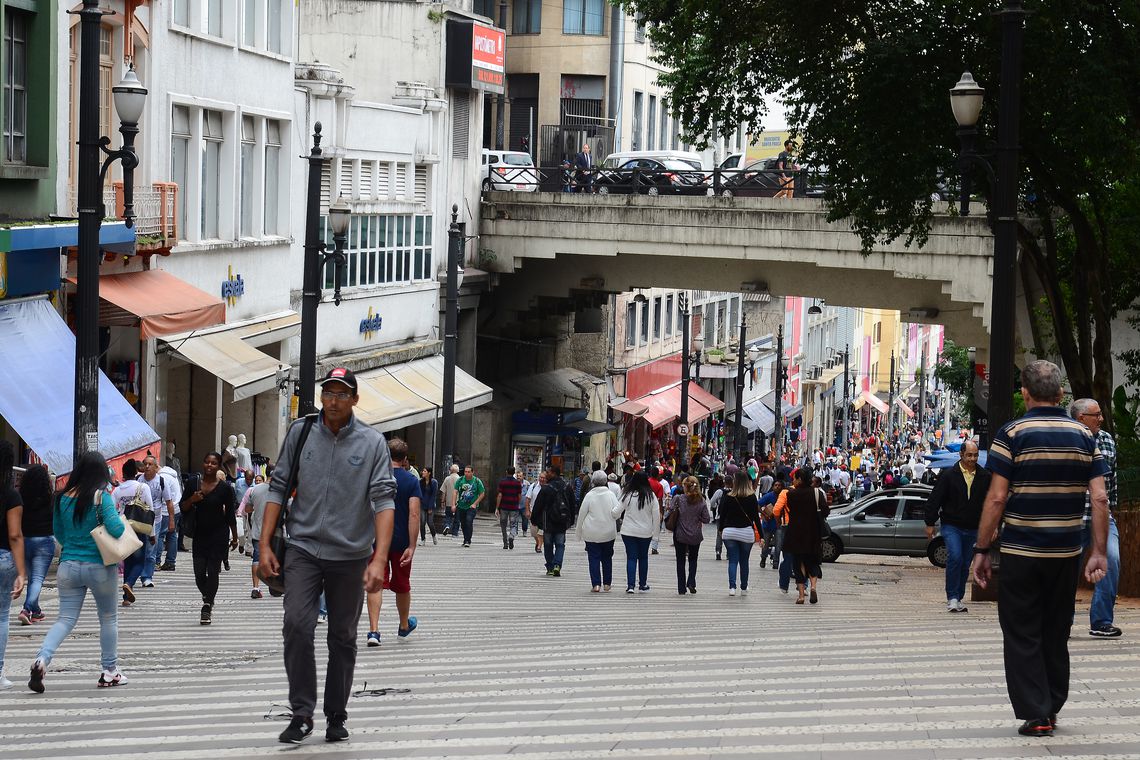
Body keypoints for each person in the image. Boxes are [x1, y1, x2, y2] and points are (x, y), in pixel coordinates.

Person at [971, 360, 1111, 738]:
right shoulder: (1085, 437)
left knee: (1021, 630)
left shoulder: (1012, 434)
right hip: (1065, 554)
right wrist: (1098, 551)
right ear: (1062, 395)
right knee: (1055, 629)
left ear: (1025, 393)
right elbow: (1099, 498)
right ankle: (1051, 702)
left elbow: (997, 499)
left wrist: (982, 548)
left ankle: (1037, 713)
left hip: (1020, 552)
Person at [261, 367, 396, 745]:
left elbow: (384, 501)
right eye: (328, 393)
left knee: (342, 636)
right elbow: (277, 487)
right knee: (297, 624)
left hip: (351, 555)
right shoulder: (301, 432)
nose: (333, 401)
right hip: (303, 547)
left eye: (341, 394)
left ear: (355, 399)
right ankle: (302, 712)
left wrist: (379, 559)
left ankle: (336, 712)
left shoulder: (372, 443)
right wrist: (264, 545)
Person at [28, 452, 126, 692]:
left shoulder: (62, 499)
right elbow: (115, 530)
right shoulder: (101, 497)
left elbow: (58, 532)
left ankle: (42, 659)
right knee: (108, 618)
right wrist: (122, 521)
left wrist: (74, 545)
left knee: (65, 619)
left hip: (68, 566)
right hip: (99, 566)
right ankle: (109, 671)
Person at [1070, 398, 1121, 637]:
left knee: (1112, 560)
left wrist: (1113, 508)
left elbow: (1112, 480)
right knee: (1067, 569)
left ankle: (1101, 622)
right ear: (1081, 418)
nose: (1101, 418)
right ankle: (1062, 620)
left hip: (1103, 516)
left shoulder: (1108, 440)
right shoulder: (1067, 440)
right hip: (1073, 517)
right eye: (1097, 414)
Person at [366, 438, 421, 647]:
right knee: (402, 585)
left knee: (375, 584)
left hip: (375, 539)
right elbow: (414, 514)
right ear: (405, 459)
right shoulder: (411, 481)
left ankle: (374, 631)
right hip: (400, 541)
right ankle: (404, 625)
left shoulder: (374, 478)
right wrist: (412, 545)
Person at [923, 440, 989, 613]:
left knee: (965, 562)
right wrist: (929, 522)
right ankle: (952, 597)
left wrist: (992, 526)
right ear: (961, 455)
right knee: (956, 557)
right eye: (969, 455)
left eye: (975, 455)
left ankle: (958, 597)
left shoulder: (984, 476)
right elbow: (935, 499)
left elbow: (989, 504)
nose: (972, 459)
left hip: (973, 527)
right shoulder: (949, 475)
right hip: (952, 525)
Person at [182, 452, 238, 624]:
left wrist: (235, 537)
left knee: (213, 571)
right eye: (207, 462)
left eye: (214, 463)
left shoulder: (225, 488)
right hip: (200, 534)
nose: (209, 466)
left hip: (218, 535)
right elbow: (183, 507)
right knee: (199, 574)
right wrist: (192, 499)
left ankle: (207, 605)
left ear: (219, 466)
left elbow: (230, 515)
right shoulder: (192, 483)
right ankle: (208, 596)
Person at [778, 468, 829, 604]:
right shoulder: (817, 493)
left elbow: (791, 511)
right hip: (813, 533)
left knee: (798, 563)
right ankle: (812, 587)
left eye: (795, 478)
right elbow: (825, 512)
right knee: (812, 561)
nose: (793, 481)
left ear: (800, 479)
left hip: (795, 533)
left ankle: (801, 595)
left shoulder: (791, 494)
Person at [111, 459, 155, 607]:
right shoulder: (143, 488)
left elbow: (111, 510)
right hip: (138, 528)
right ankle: (129, 583)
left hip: (122, 528)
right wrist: (152, 533)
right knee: (139, 562)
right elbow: (150, 511)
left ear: (123, 473)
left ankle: (126, 597)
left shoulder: (117, 490)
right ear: (136, 472)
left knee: (128, 561)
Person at [0, 441, 26, 689]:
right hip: (3, 558)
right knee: (1, 617)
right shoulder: (11, 495)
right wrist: (21, 571)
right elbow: (15, 535)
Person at [17, 464, 54, 626]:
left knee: (32, 578)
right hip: (44, 540)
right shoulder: (50, 498)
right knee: (37, 579)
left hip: (25, 540)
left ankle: (36, 610)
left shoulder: (21, 497)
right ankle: (26, 609)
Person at [612, 470, 660, 593]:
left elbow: (616, 512)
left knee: (631, 558)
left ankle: (630, 586)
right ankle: (643, 584)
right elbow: (656, 517)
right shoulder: (651, 496)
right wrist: (656, 536)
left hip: (628, 531)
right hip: (645, 532)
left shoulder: (628, 494)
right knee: (643, 558)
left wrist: (611, 514)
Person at [574, 471, 620, 592]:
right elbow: (617, 512)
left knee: (593, 558)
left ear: (593, 482)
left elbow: (582, 515)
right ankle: (607, 584)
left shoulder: (589, 495)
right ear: (605, 481)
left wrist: (578, 534)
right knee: (607, 557)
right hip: (608, 532)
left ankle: (596, 584)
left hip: (591, 532)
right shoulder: (610, 494)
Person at [718, 470, 760, 596]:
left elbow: (722, 514)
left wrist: (720, 529)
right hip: (746, 532)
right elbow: (755, 518)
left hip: (729, 532)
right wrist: (762, 536)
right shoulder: (752, 497)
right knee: (744, 561)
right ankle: (744, 587)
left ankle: (732, 587)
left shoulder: (728, 496)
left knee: (732, 560)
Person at [670, 476, 711, 595]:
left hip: (680, 534)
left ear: (685, 486)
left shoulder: (678, 498)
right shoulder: (701, 501)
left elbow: (670, 509)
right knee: (693, 559)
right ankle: (691, 582)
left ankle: (681, 588)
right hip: (695, 535)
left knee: (680, 560)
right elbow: (706, 519)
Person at [137, 455, 176, 581]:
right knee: (139, 548)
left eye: (150, 464)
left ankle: (147, 576)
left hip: (156, 520)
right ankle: (137, 572)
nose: (147, 467)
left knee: (151, 549)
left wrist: (171, 520)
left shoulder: (161, 481)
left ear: (155, 466)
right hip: (139, 519)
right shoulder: (139, 480)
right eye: (145, 464)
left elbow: (169, 502)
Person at [531, 466, 574, 576]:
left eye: (548, 472)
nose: (547, 474)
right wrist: (571, 519)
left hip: (548, 521)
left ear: (554, 473)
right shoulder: (567, 487)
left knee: (548, 544)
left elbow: (538, 506)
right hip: (562, 521)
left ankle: (550, 567)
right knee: (560, 544)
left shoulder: (546, 488)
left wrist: (534, 519)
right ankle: (557, 565)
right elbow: (572, 505)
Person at [243, 472, 271, 599]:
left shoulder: (255, 489)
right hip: (275, 533)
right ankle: (274, 586)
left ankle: (255, 587)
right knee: (277, 559)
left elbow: (248, 509)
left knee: (256, 559)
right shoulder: (281, 490)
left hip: (258, 531)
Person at [455, 465, 485, 548]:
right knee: (463, 523)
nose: (466, 473)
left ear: (472, 472)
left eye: (468, 472)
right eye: (465, 472)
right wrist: (453, 504)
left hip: (472, 506)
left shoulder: (476, 481)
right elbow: (455, 491)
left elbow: (482, 494)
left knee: (469, 521)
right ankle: (465, 539)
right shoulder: (460, 480)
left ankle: (468, 540)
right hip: (461, 506)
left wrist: (475, 503)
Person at [495, 467, 522, 550]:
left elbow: (500, 495)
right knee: (513, 524)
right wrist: (518, 503)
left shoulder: (502, 482)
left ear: (506, 472)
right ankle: (511, 535)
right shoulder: (517, 483)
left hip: (504, 506)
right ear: (514, 473)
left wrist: (497, 507)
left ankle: (505, 543)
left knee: (503, 525)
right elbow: (519, 495)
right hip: (514, 507)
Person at [525, 471, 546, 553]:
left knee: (541, 530)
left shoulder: (548, 487)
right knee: (534, 532)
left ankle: (539, 546)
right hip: (533, 512)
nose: (542, 479)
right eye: (541, 477)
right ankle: (538, 542)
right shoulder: (533, 486)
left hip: (544, 513)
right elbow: (527, 499)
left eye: (544, 478)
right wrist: (527, 510)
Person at [419, 467, 439, 546]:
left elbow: (433, 495)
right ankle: (423, 539)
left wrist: (430, 507)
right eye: (423, 471)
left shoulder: (434, 482)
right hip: (422, 504)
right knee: (422, 522)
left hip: (430, 504)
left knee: (430, 522)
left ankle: (434, 535)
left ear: (429, 473)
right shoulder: (420, 482)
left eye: (424, 471)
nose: (423, 472)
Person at [440, 464, 460, 537]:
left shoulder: (447, 479)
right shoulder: (460, 479)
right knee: (457, 518)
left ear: (450, 470)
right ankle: (455, 533)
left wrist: (442, 501)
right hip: (458, 503)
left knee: (448, 516)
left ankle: (447, 525)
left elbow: (443, 491)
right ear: (457, 470)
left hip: (448, 502)